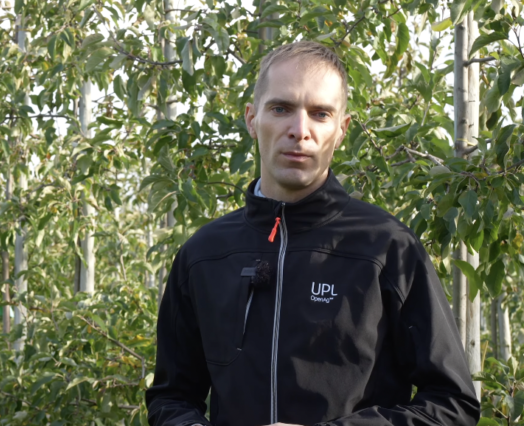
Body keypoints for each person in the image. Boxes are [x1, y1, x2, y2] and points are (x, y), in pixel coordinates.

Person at [145, 40, 479, 426]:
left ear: (341, 130)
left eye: (320, 114)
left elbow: (454, 405)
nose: (299, 131)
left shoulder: (387, 248)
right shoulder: (204, 254)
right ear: (252, 119)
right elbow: (171, 398)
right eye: (281, 109)